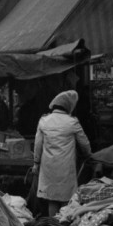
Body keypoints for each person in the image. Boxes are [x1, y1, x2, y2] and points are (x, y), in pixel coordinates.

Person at [32, 90, 92, 218]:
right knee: (66, 198)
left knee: (52, 198)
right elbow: (84, 143)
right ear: (68, 107)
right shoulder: (72, 122)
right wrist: (88, 155)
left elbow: (38, 145)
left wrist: (36, 163)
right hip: (66, 167)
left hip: (48, 167)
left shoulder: (44, 121)